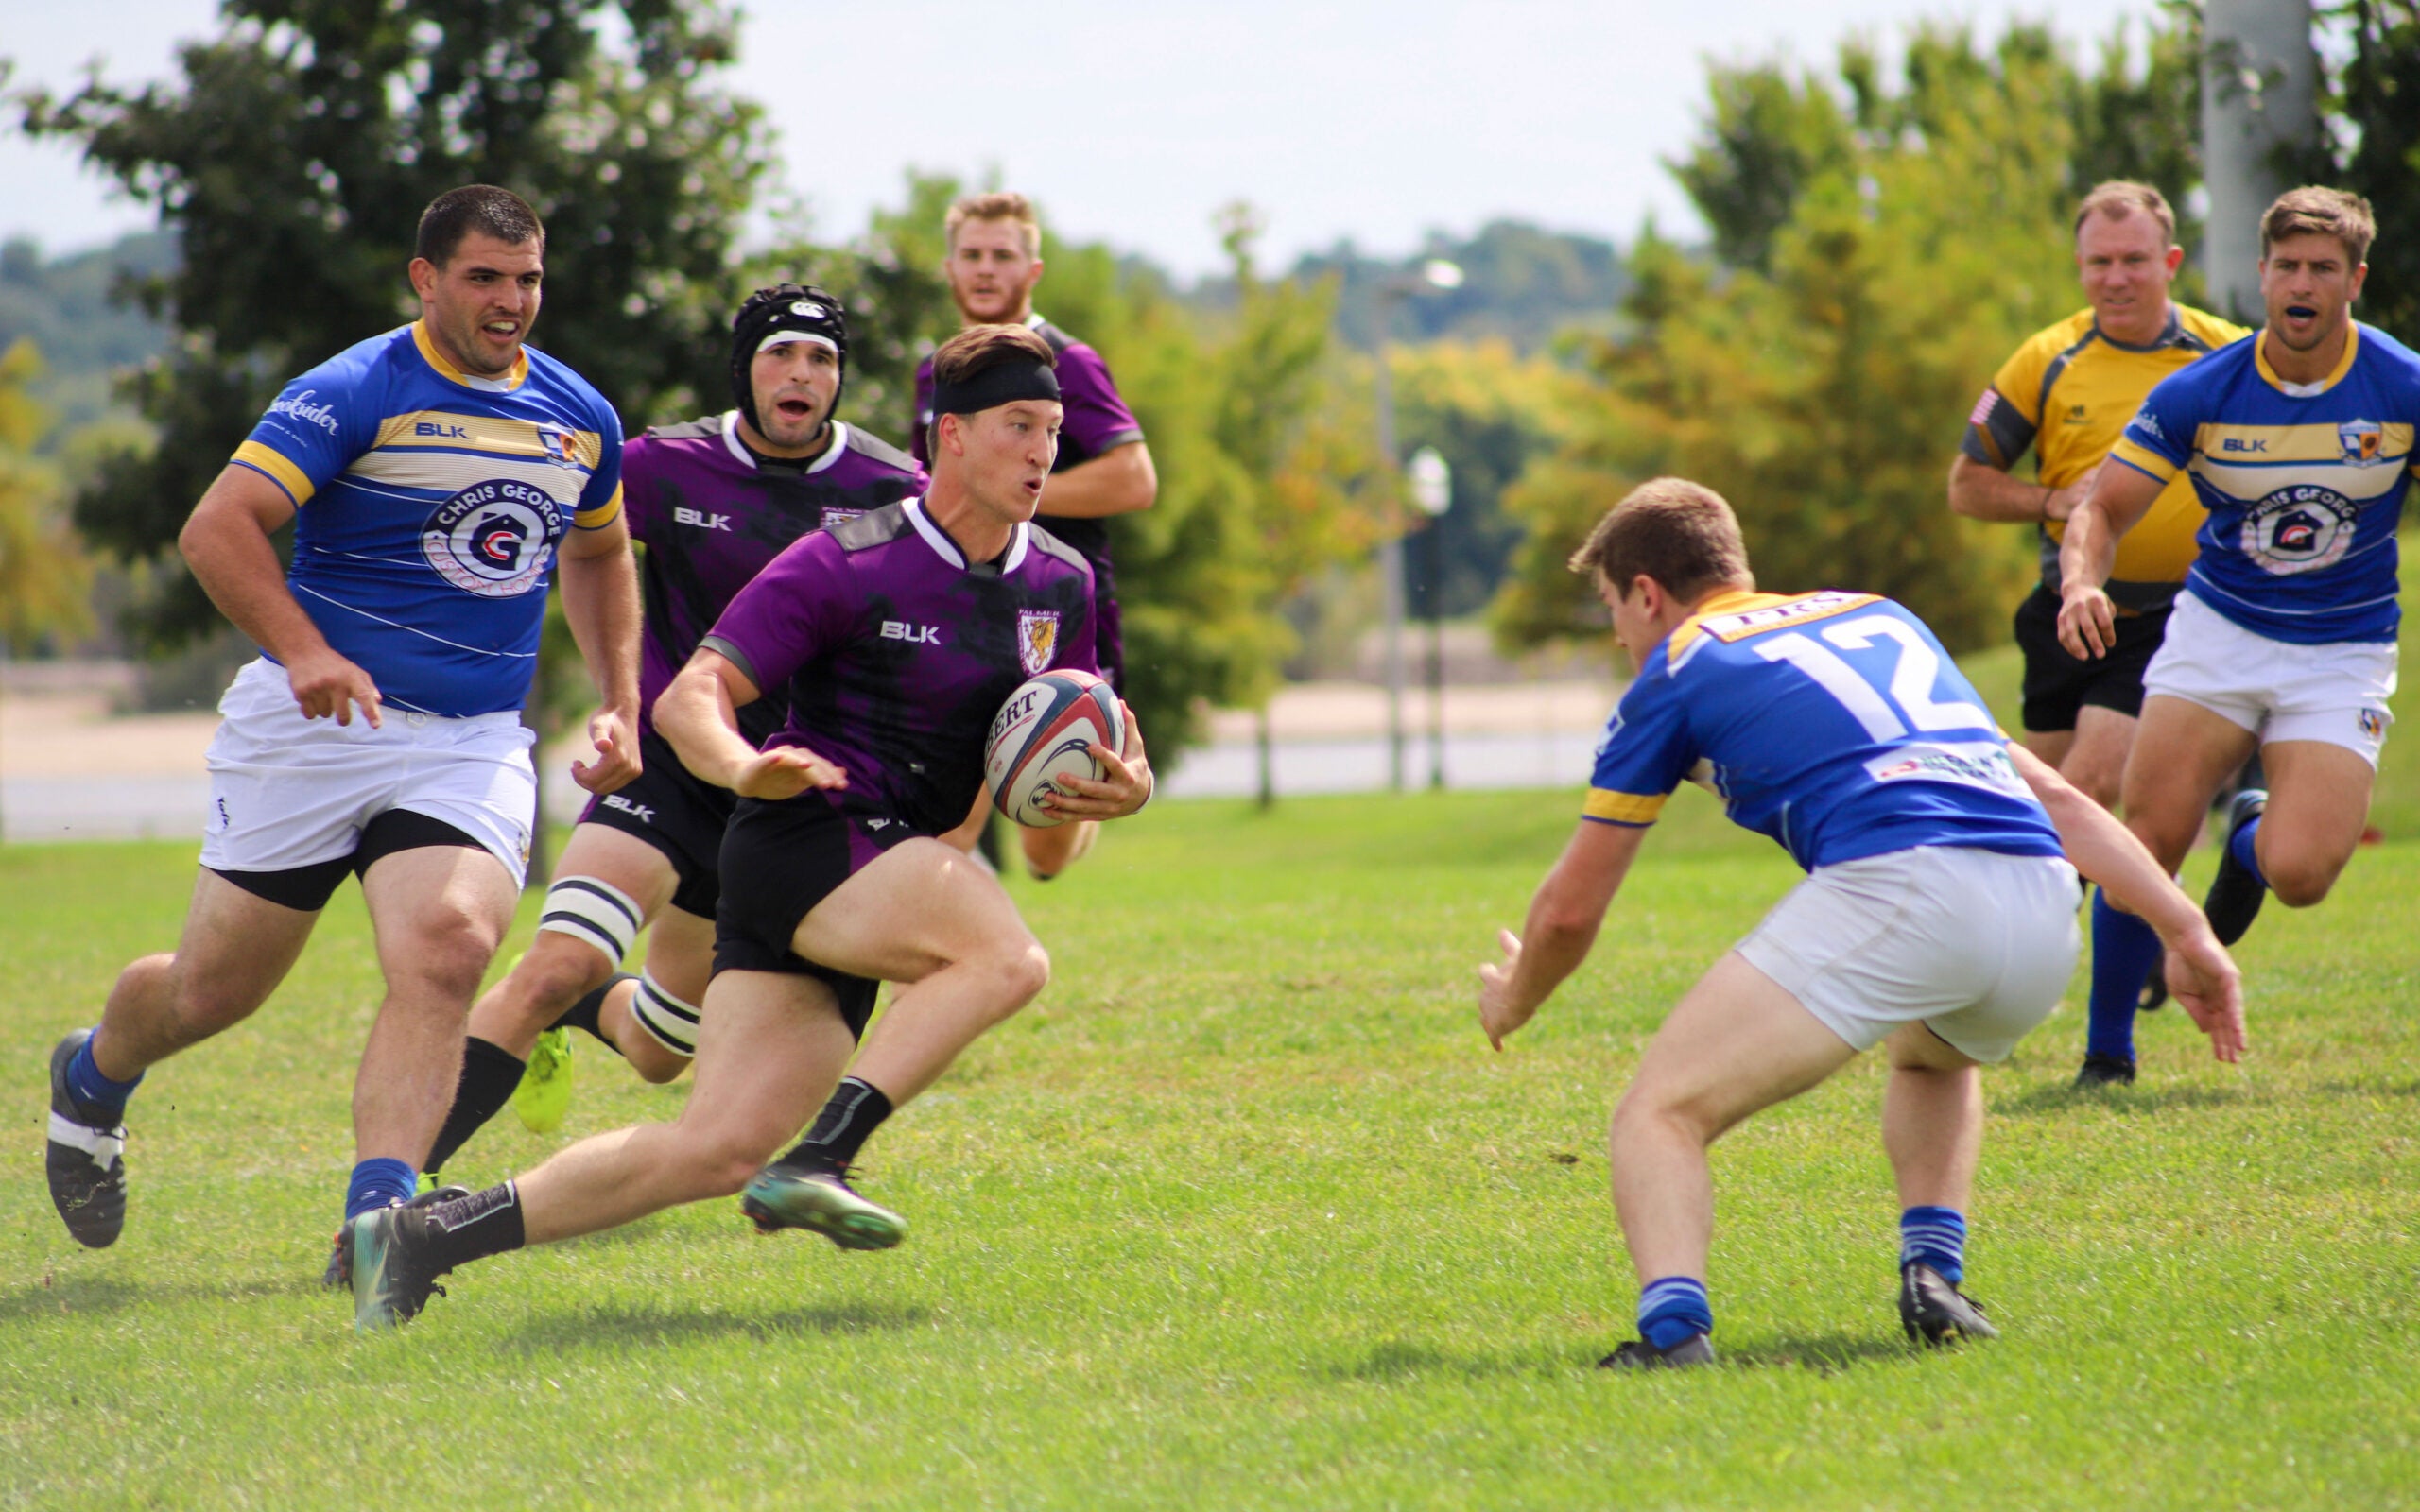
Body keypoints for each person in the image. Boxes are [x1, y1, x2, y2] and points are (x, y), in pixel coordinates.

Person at [345, 323, 1154, 1330]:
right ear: (950, 436)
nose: (1043, 452)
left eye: (1055, 430)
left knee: (713, 1149)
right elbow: (692, 697)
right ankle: (822, 1156)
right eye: (1020, 426)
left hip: (881, 877)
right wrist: (744, 767)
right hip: (805, 838)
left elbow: (1050, 822)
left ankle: (420, 1240)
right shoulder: (848, 558)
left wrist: (1112, 796)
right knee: (1008, 960)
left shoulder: (1061, 586)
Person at [1477, 478, 2242, 1369]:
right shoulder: (1876, 615)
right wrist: (2187, 931)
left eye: (1614, 607)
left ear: (1647, 591)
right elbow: (2058, 792)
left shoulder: (1679, 667)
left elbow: (1570, 911)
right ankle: (1935, 1274)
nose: (1619, 635)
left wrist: (1516, 1000)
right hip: (2040, 908)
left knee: (1660, 1113)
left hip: (1908, 885)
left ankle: (1673, 1337)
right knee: (1932, 1051)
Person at [43, 186, 641, 1255]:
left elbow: (596, 554)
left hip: (467, 738)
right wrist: (307, 650)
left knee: (449, 948)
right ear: (425, 278)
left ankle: (381, 1221)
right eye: (484, 278)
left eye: (528, 279)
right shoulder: (356, 388)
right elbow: (217, 525)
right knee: (212, 991)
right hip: (314, 729)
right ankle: (92, 1074)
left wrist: (616, 700)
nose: (511, 301)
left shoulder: (579, 414)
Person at [416, 284, 926, 1177]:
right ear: (745, 368)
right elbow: (582, 545)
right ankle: (389, 1195)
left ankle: (580, 1017)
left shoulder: (888, 491)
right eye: (780, 355)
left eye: (822, 360)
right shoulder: (667, 464)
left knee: (660, 1050)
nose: (801, 374)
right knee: (549, 970)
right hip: (666, 774)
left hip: (781, 807)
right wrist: (616, 700)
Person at [2057, 186, 2412, 1087]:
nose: (2301, 284)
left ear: (2354, 281)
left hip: (2343, 648)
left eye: (2322, 269)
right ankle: (2107, 1057)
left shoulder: (2401, 385)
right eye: (2286, 266)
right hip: (2218, 631)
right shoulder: (2203, 392)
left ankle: (2251, 837)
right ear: (2262, 275)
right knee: (2148, 839)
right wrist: (2079, 582)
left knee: (2301, 872)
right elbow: (2102, 505)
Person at [1950, 181, 2247, 809]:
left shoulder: (2226, 353)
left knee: (2089, 787)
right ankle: (2045, 908)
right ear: (2080, 267)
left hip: (2172, 618)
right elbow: (1967, 486)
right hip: (2064, 612)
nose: (2116, 279)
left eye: (2134, 260)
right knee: (2028, 806)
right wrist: (2053, 501)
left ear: (2170, 263)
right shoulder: (2045, 357)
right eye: (2099, 262)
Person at [916, 191, 1155, 880]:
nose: (986, 270)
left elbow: (1136, 479)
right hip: (956, 606)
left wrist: (1008, 489)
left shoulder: (1066, 362)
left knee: (1044, 846)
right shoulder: (938, 370)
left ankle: (1057, 829)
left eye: (1002, 256)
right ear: (950, 269)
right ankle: (932, 951)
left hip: (1058, 610)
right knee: (948, 816)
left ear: (1034, 270)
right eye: (972, 255)